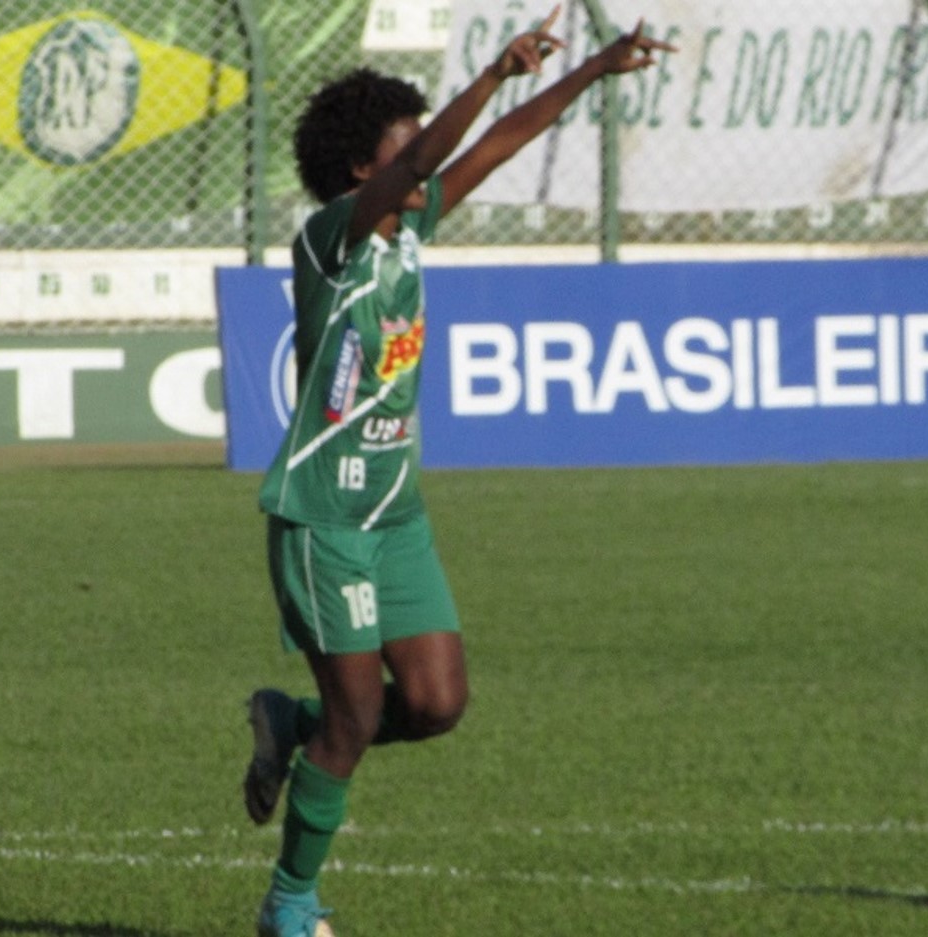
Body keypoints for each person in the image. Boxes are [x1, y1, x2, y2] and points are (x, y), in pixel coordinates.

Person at [241, 7, 676, 936]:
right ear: (365, 169)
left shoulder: (409, 228)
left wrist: (592, 69)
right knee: (357, 722)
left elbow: (504, 143)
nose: (426, 159)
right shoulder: (332, 239)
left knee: (437, 703)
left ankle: (295, 723)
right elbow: (434, 155)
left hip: (395, 514)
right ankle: (289, 906)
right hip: (323, 520)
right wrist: (488, 74)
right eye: (406, 146)